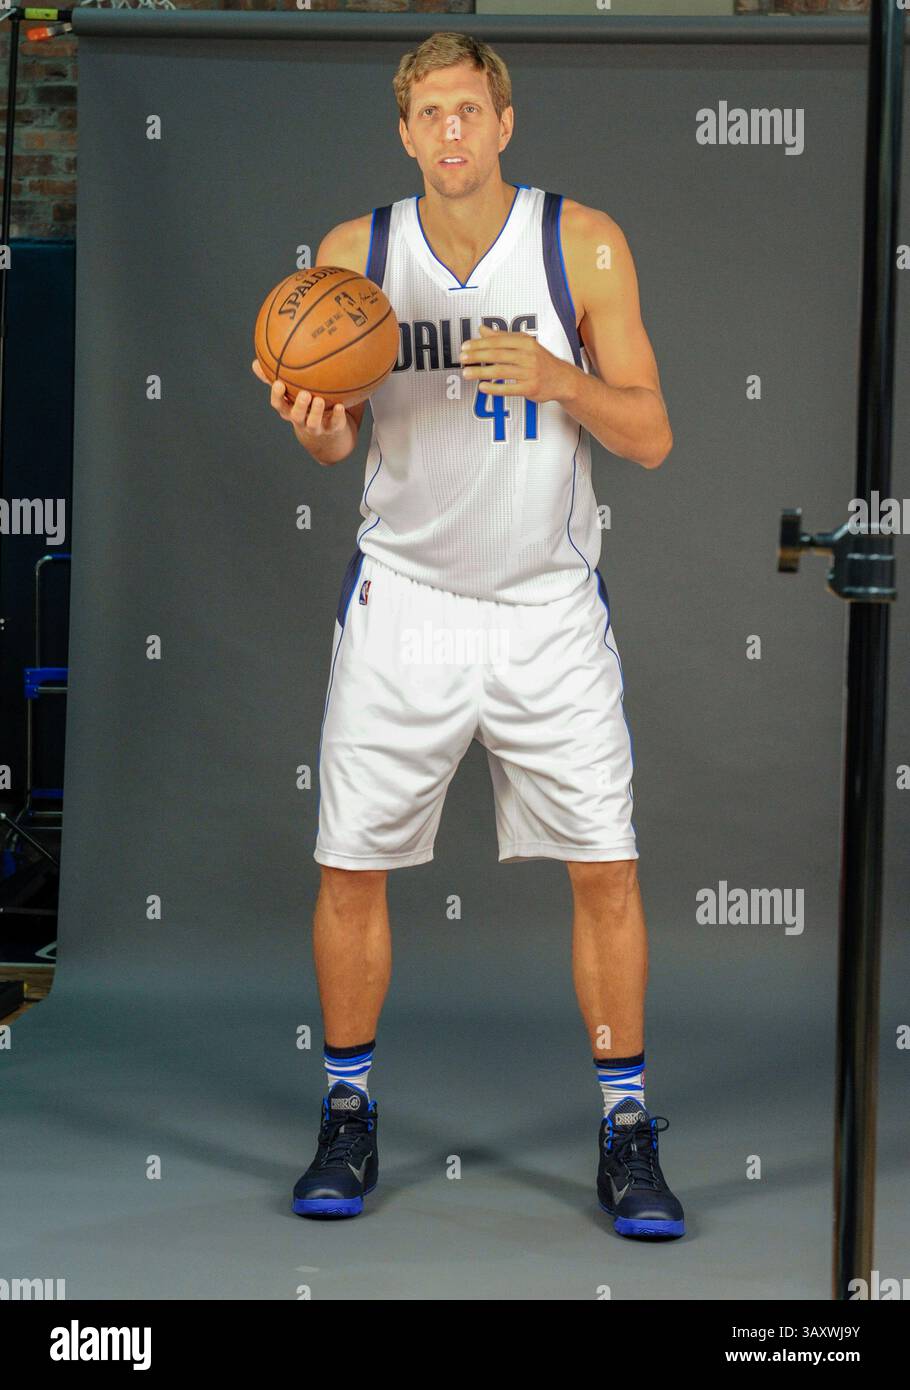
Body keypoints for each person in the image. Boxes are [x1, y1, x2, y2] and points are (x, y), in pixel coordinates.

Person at [251, 30, 683, 1240]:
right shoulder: (356, 256)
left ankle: (626, 1126)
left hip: (546, 605)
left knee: (606, 868)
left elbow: (649, 434)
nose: (449, 132)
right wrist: (310, 420)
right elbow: (338, 443)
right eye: (427, 113)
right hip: (407, 602)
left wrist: (562, 378)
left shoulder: (579, 242)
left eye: (468, 111)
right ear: (405, 131)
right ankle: (346, 1109)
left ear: (504, 123)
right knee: (350, 865)